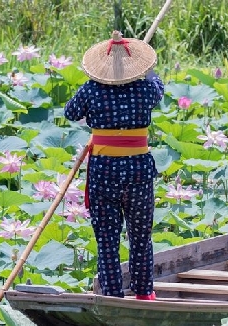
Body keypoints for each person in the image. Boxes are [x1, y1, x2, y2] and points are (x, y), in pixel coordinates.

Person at [64, 31, 164, 300]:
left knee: (107, 241)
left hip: (104, 171)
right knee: (141, 236)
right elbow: (159, 88)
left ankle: (112, 296)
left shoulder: (91, 90)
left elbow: (71, 113)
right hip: (138, 171)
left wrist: (93, 86)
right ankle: (144, 293)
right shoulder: (146, 89)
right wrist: (150, 71)